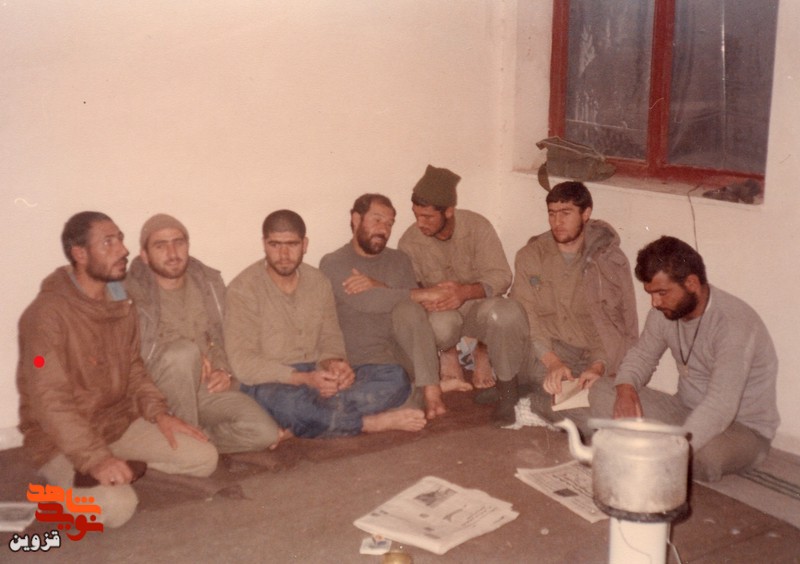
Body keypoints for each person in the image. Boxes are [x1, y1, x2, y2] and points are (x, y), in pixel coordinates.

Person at [17, 211, 218, 528]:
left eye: (120, 240)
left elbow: (134, 368)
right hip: (58, 439)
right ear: (80, 254)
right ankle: (51, 489)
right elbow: (49, 401)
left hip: (117, 425)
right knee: (117, 507)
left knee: (204, 457)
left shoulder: (120, 300)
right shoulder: (45, 316)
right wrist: (95, 459)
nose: (123, 250)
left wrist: (159, 414)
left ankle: (114, 472)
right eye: (108, 243)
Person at [224, 209, 426, 441]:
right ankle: (367, 423)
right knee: (287, 403)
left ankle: (310, 421)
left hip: (316, 375)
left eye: (292, 244)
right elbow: (243, 363)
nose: (283, 254)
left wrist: (335, 366)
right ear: (264, 244)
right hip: (273, 382)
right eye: (275, 245)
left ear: (305, 244)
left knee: (395, 376)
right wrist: (303, 379)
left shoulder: (318, 281)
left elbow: (331, 337)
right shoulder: (243, 289)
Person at [589, 236, 779, 482]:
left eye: (662, 292)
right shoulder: (664, 312)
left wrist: (677, 445)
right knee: (603, 390)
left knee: (706, 457)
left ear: (691, 283)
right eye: (651, 293)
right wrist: (626, 390)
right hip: (684, 410)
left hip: (741, 429)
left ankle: (656, 448)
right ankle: (661, 448)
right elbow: (642, 356)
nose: (655, 302)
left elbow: (721, 406)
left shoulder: (733, 323)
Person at [125, 213, 279, 454]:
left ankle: (194, 442)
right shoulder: (128, 292)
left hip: (205, 390)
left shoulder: (209, 283)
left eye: (178, 242)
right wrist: (192, 356)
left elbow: (224, 335)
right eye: (160, 246)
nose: (172, 252)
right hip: (160, 393)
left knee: (264, 432)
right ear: (144, 255)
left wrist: (223, 369)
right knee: (183, 354)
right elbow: (128, 359)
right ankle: (189, 446)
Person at [397, 164, 529, 419]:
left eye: (428, 217)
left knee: (507, 312)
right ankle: (449, 352)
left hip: (480, 306)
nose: (420, 223)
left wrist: (465, 292)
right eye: (416, 215)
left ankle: (489, 360)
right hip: (442, 312)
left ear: (448, 211)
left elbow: (502, 276)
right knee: (438, 327)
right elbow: (410, 290)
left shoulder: (477, 226)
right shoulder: (409, 241)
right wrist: (429, 298)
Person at [320, 193, 465, 420]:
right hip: (363, 361)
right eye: (377, 220)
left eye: (389, 224)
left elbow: (411, 307)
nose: (384, 229)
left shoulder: (399, 260)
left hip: (402, 357)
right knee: (396, 398)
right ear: (356, 219)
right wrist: (424, 292)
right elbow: (369, 301)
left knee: (409, 309)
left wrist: (379, 285)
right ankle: (422, 388)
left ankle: (430, 389)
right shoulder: (334, 262)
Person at [510, 181, 638, 424]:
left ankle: (547, 408)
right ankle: (541, 404)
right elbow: (528, 317)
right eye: (552, 214)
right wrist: (553, 363)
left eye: (566, 213)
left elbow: (618, 323)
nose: (557, 222)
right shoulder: (531, 255)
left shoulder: (609, 261)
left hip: (592, 355)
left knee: (605, 401)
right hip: (548, 351)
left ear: (586, 214)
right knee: (555, 387)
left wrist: (599, 365)